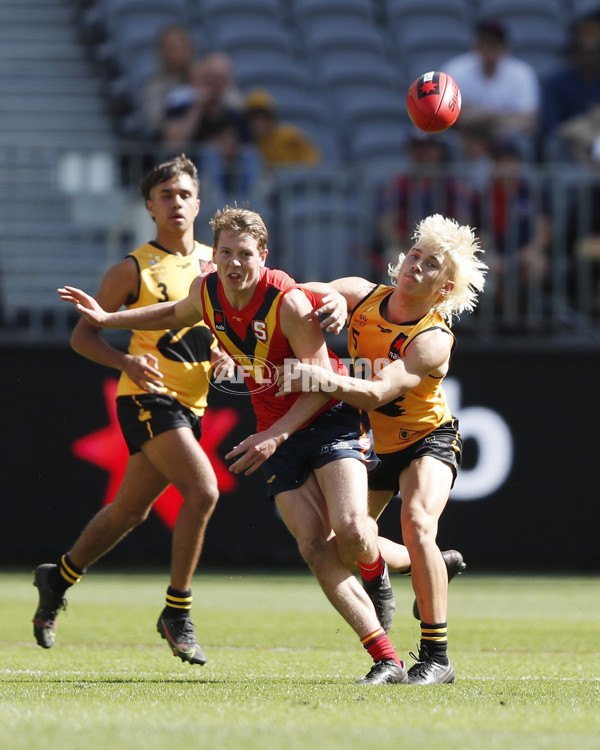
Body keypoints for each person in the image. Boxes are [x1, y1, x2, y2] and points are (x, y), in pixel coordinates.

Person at [58, 205, 410, 685]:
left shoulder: (288, 303)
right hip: (275, 433)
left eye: (244, 253)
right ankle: (387, 659)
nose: (233, 263)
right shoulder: (206, 289)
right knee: (313, 545)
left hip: (327, 419)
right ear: (215, 256)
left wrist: (274, 435)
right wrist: (109, 315)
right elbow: (172, 313)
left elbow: (323, 383)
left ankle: (380, 576)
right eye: (224, 252)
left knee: (349, 528)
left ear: (263, 255)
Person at [33, 155, 233, 666]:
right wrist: (126, 360)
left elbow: (222, 330)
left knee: (129, 511)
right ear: (149, 206)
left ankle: (58, 576)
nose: (176, 203)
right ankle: (177, 612)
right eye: (165, 195)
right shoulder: (132, 268)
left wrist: (224, 353)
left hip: (194, 402)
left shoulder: (216, 263)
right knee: (203, 489)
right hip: (145, 398)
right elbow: (84, 335)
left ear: (199, 202)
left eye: (185, 194)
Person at [278, 214, 488, 684]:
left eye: (430, 264)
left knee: (416, 522)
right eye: (415, 255)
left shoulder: (433, 339)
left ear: (444, 288)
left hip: (426, 440)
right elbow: (292, 298)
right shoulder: (361, 292)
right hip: (373, 443)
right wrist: (327, 296)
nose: (415, 265)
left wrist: (321, 379)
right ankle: (424, 564)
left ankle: (436, 657)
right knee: (347, 547)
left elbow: (374, 394)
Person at [443, 17, 540, 144]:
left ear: (505, 46)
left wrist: (484, 118)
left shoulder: (522, 73)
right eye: (484, 42)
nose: (488, 48)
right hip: (466, 139)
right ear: (475, 45)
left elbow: (527, 120)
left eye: (494, 44)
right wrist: (502, 117)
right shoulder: (455, 70)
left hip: (507, 142)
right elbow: (447, 115)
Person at [539, 11, 600, 161]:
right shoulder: (556, 81)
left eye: (594, 50)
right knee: (554, 145)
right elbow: (550, 126)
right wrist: (580, 132)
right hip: (569, 145)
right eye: (584, 48)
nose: (589, 55)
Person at [142, 25, 199, 141]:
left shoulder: (202, 77)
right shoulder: (155, 86)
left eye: (181, 48)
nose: (177, 54)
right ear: (161, 53)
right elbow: (156, 122)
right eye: (172, 49)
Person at [243, 89, 321, 169]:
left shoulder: (288, 135)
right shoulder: (247, 146)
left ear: (271, 119)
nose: (259, 124)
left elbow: (312, 158)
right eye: (254, 119)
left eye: (263, 118)